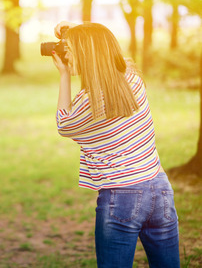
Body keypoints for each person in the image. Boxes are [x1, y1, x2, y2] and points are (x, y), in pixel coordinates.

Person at [51, 21, 180, 267]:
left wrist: (64, 75)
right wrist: (75, 34)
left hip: (121, 196)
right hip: (159, 187)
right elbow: (110, 52)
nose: (66, 55)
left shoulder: (88, 103)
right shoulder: (133, 80)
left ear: (86, 54)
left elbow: (63, 123)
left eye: (70, 50)